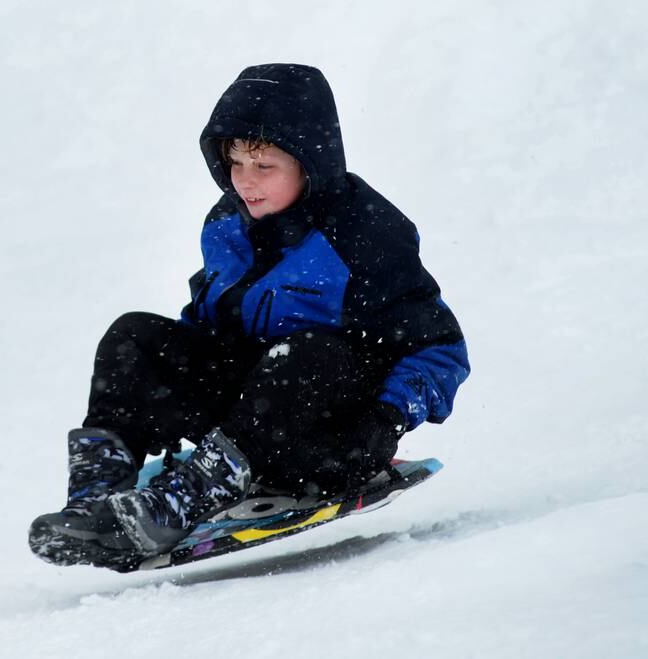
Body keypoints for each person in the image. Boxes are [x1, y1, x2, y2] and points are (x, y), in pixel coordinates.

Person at [29, 63, 470, 567]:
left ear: (311, 163)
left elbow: (439, 348)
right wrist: (169, 379)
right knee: (133, 335)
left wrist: (386, 419)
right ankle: (96, 500)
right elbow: (210, 321)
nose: (246, 182)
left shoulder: (363, 234)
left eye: (265, 167)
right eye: (236, 164)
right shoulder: (228, 224)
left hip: (330, 435)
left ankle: (182, 501)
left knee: (306, 350)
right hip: (249, 426)